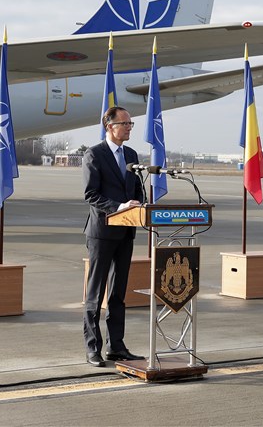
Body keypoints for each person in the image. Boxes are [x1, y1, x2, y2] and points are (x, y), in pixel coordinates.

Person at [81, 106, 146, 367]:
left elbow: (137, 188)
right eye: (125, 123)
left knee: (118, 293)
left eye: (131, 124)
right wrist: (119, 207)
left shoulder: (131, 155)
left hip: (126, 231)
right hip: (102, 232)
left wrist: (139, 204)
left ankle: (116, 346)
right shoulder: (94, 154)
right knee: (96, 293)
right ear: (110, 126)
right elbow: (91, 194)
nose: (129, 128)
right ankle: (92, 347)